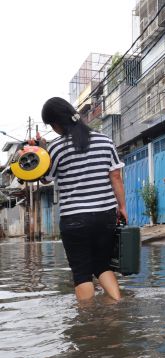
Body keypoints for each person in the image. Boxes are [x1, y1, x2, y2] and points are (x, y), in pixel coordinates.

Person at [39, 97, 126, 302]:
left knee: (81, 273)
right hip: (105, 215)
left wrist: (41, 151)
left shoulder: (56, 148)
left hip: (74, 219)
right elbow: (116, 177)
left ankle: (86, 326)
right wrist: (122, 207)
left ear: (57, 123)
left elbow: (44, 179)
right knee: (102, 265)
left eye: (52, 125)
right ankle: (118, 305)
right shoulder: (105, 140)